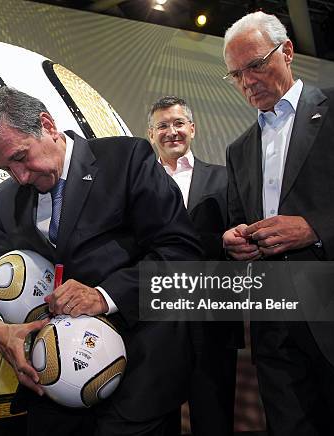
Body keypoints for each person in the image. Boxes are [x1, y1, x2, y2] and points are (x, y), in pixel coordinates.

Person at [0, 86, 203, 435]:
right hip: (50, 389)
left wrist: (103, 295)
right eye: (7, 168)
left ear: (47, 125)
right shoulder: (8, 197)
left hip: (137, 380)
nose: (21, 176)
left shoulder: (127, 159)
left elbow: (181, 253)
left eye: (22, 157)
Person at [222, 11, 334, 436]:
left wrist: (313, 227)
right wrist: (235, 239)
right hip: (274, 325)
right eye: (237, 75)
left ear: (287, 52)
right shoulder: (238, 149)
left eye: (256, 65)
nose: (247, 82)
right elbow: (241, 220)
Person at [147, 96, 243, 436]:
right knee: (157, 418)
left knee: (214, 417)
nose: (171, 131)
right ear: (151, 134)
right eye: (162, 125)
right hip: (154, 320)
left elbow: (239, 241)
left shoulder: (225, 179)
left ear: (192, 128)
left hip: (211, 318)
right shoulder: (138, 185)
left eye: (178, 123)